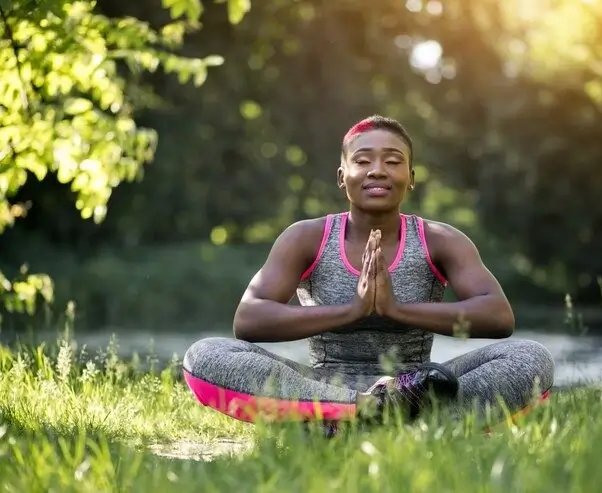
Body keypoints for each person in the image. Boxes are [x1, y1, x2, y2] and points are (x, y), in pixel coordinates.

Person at [182, 115, 555, 433]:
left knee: (529, 356)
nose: (378, 170)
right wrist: (352, 310)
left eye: (393, 161)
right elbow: (249, 320)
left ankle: (344, 421)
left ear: (411, 177)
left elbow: (498, 316)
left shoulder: (441, 240)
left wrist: (395, 308)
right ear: (343, 176)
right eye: (363, 161)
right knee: (207, 354)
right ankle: (371, 411)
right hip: (325, 384)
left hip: (416, 386)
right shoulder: (305, 237)